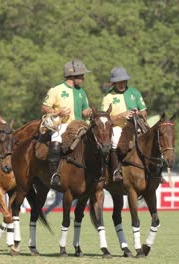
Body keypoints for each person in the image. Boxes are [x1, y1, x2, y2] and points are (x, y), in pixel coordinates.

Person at [42, 59, 93, 187]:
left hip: (80, 124)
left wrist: (89, 112)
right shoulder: (56, 90)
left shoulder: (81, 91)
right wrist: (58, 112)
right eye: (81, 75)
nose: (83, 78)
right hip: (62, 125)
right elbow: (45, 107)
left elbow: (84, 110)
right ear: (72, 76)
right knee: (56, 139)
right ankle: (54, 174)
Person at [101, 66, 147, 182]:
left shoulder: (134, 92)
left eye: (124, 81)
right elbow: (106, 120)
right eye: (119, 82)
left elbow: (144, 112)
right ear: (114, 83)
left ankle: (156, 171)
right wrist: (122, 115)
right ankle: (116, 171)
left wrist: (139, 113)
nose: (122, 84)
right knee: (115, 141)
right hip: (118, 126)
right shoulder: (108, 97)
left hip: (136, 124)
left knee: (154, 139)